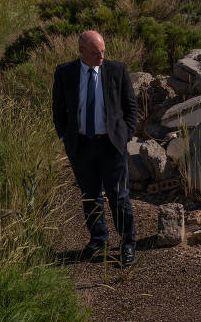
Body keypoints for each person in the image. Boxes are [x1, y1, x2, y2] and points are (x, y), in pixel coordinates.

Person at [52, 30, 138, 265]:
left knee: (119, 196)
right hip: (81, 146)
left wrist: (124, 136)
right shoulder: (65, 73)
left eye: (103, 51)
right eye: (95, 52)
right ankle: (98, 239)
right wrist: (65, 139)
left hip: (112, 145)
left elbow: (131, 107)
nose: (101, 55)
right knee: (90, 197)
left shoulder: (117, 70)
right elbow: (58, 109)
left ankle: (128, 243)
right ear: (81, 51)